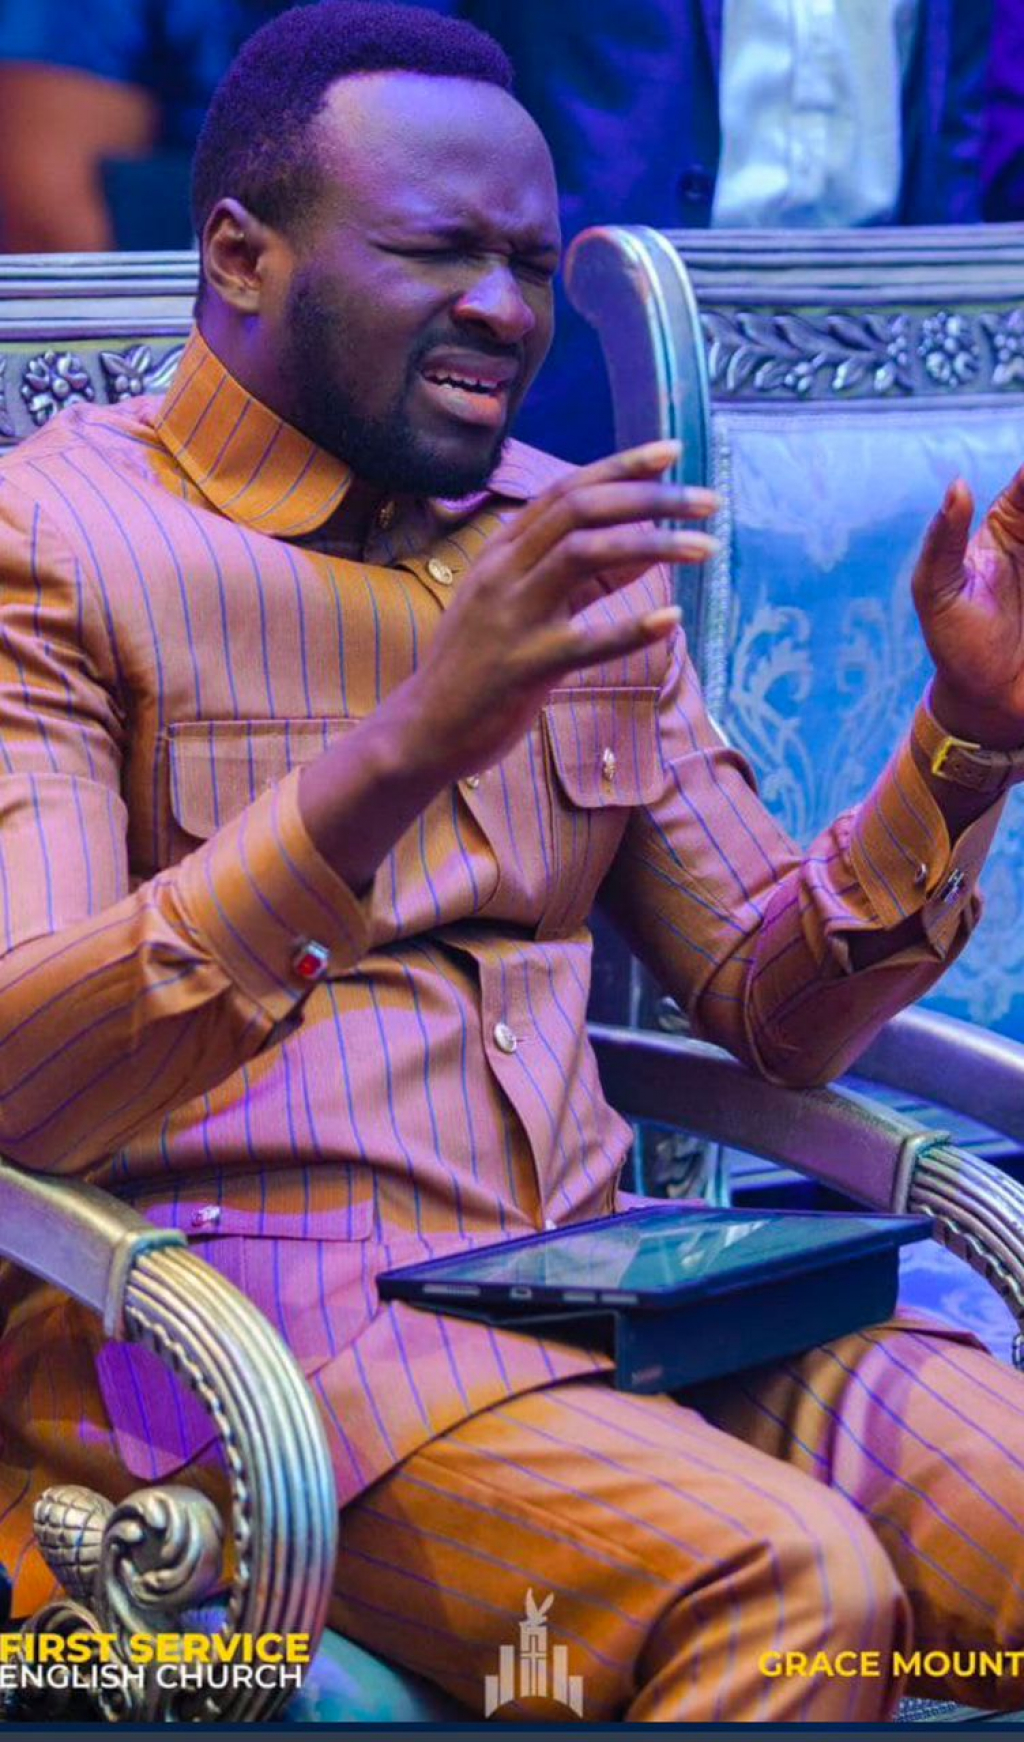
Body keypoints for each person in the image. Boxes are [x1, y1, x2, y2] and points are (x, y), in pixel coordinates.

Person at [0, 2, 1023, 1721]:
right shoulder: (54, 545)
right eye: (437, 252)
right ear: (241, 257)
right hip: (248, 1355)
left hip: (623, 1292)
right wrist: (407, 745)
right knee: (793, 1585)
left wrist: (967, 737)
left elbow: (775, 1015)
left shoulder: (568, 536)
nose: (503, 308)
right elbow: (26, 1075)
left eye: (532, 265)